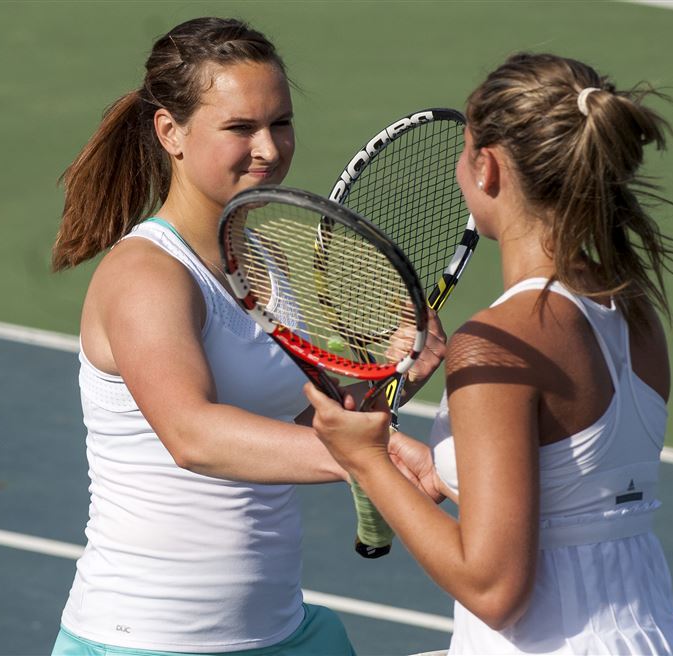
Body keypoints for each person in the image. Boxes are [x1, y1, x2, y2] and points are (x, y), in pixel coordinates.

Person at [49, 17, 444, 656]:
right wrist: (373, 456)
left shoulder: (258, 256)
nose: (269, 147)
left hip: (279, 630)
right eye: (240, 128)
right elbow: (193, 435)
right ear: (169, 132)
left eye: (279, 122)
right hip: (150, 639)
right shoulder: (146, 274)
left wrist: (384, 386)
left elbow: (284, 422)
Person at [306, 52, 673, 655]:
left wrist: (367, 462)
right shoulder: (632, 309)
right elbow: (579, 495)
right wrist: (443, 472)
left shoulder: (495, 345)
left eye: (463, 154)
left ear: (486, 170)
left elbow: (494, 589)